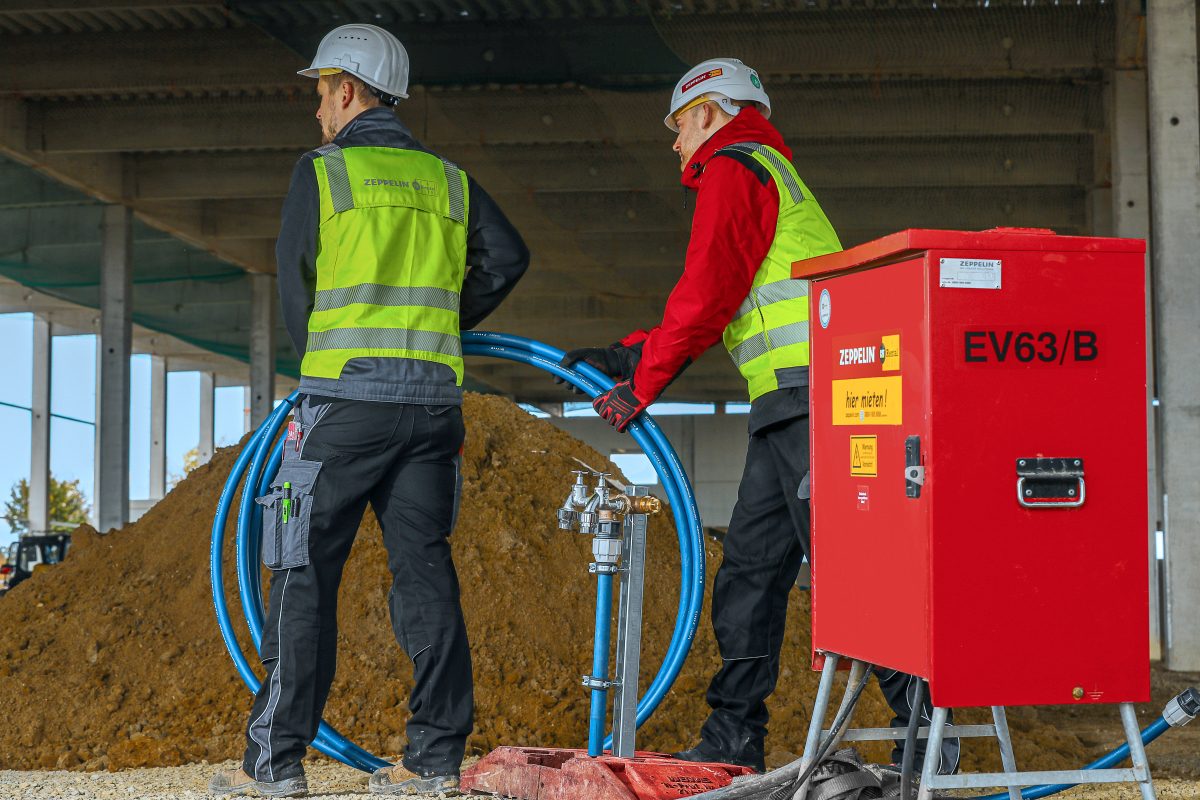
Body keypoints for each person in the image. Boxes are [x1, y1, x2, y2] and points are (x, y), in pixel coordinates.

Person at [558, 58, 959, 776]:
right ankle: (734, 737)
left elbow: (709, 290)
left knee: (851, 572)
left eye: (679, 125)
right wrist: (629, 355)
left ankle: (928, 734)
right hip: (787, 403)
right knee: (748, 569)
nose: (675, 142)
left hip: (820, 399)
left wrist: (641, 386)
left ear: (710, 113)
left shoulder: (738, 167)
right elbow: (731, 292)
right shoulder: (759, 173)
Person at [209, 24, 529, 799]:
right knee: (425, 575)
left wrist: (326, 368)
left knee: (300, 572)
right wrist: (442, 327)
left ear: (348, 91)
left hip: (344, 403)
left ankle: (277, 764)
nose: (318, 108)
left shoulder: (323, 172)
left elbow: (297, 289)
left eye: (322, 92)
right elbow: (509, 257)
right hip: (432, 411)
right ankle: (434, 761)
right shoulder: (449, 181)